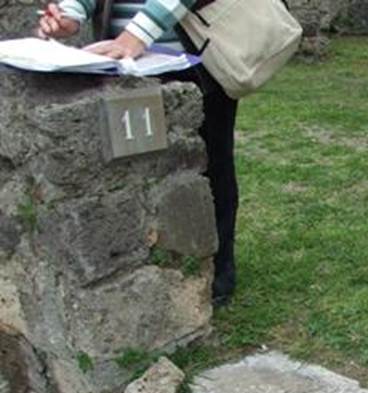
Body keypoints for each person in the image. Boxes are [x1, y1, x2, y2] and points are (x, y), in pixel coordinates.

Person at [37, 0, 239, 306]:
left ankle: (216, 268)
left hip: (194, 58)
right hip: (122, 62)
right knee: (138, 175)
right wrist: (72, 12)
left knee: (210, 164)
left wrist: (137, 34)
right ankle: (152, 271)